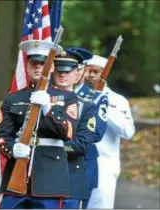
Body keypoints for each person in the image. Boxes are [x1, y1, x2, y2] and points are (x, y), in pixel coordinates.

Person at [0, 40, 98, 209]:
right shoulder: (12, 99)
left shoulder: (67, 98)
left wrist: (48, 108)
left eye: (42, 63)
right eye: (33, 63)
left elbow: (67, 132)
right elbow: (2, 136)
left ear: (51, 68)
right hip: (16, 175)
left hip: (50, 177)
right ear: (27, 66)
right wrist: (12, 148)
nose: (37, 67)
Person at [85, 55, 136, 209]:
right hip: (77, 163)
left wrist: (103, 107)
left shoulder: (117, 100)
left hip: (104, 165)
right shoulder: (75, 96)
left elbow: (128, 132)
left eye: (97, 71)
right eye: (89, 71)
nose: (92, 75)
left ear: (105, 73)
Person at [64, 47, 109, 208]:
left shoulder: (96, 98)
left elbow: (97, 133)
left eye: (77, 68)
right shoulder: (52, 95)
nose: (71, 73)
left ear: (82, 71)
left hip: (82, 162)